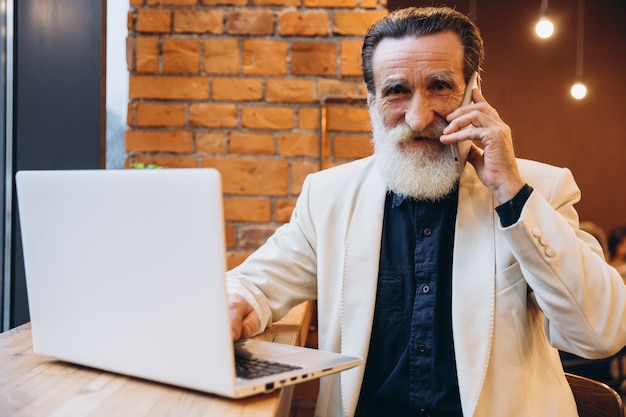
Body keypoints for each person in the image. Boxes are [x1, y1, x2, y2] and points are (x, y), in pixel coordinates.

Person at [227, 6, 626, 417]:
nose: (418, 118)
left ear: (473, 92)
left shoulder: (539, 189)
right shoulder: (328, 196)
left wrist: (510, 193)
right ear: (372, 101)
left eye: (439, 86)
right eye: (396, 90)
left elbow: (601, 333)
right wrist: (235, 306)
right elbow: (252, 285)